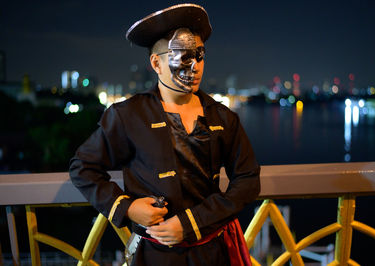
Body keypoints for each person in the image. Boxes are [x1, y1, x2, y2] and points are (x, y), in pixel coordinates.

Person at [69, 3, 260, 266]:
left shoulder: (222, 117)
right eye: (182, 56)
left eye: (199, 55)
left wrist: (192, 222)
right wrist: (128, 208)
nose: (194, 67)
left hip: (213, 252)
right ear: (156, 63)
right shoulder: (128, 115)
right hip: (154, 256)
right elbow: (83, 168)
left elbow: (247, 180)